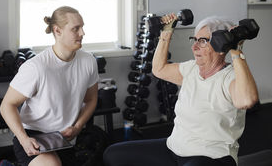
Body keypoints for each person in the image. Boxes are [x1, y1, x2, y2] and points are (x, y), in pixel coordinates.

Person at [103, 15, 259, 166]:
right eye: (194, 40)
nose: (194, 47)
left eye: (203, 41)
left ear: (221, 45)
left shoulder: (231, 77)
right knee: (113, 155)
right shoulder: (191, 69)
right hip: (174, 148)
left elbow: (246, 100)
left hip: (212, 156)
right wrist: (166, 32)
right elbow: (159, 69)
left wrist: (235, 50)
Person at [0, 6, 99, 166]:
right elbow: (7, 105)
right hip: (33, 135)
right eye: (76, 29)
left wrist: (78, 127)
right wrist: (23, 139)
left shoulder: (88, 61)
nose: (82, 33)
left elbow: (91, 99)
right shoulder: (36, 67)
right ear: (57, 31)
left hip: (63, 138)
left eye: (82, 27)